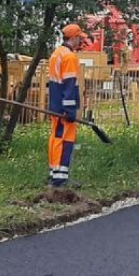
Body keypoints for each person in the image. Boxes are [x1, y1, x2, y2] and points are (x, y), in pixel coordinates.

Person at [46, 24, 87, 188]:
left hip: (55, 106)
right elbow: (69, 85)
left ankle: (54, 173)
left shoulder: (56, 54)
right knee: (65, 141)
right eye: (80, 37)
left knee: (55, 138)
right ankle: (59, 178)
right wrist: (70, 109)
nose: (81, 40)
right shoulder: (69, 57)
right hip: (64, 109)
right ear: (73, 37)